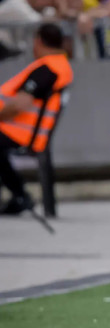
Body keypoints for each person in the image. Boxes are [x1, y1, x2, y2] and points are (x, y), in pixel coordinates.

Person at [0, 23, 73, 214]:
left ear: (38, 41)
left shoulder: (47, 68)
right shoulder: (59, 65)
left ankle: (20, 195)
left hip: (20, 132)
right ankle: (19, 195)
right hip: (23, 131)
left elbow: (19, 104)